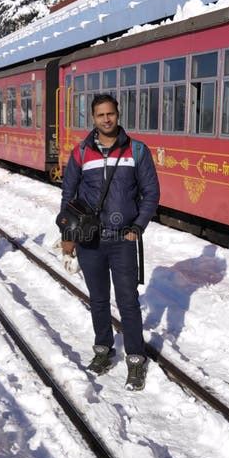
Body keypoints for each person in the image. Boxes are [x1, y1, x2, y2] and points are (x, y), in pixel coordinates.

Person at [57, 93, 160, 391]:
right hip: (90, 240)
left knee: (128, 301)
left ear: (118, 114)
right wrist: (69, 237)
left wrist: (137, 227)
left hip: (122, 239)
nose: (106, 119)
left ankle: (136, 359)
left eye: (110, 114)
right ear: (93, 118)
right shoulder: (81, 153)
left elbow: (151, 193)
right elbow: (69, 197)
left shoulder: (137, 151)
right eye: (100, 115)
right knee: (98, 300)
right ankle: (103, 350)